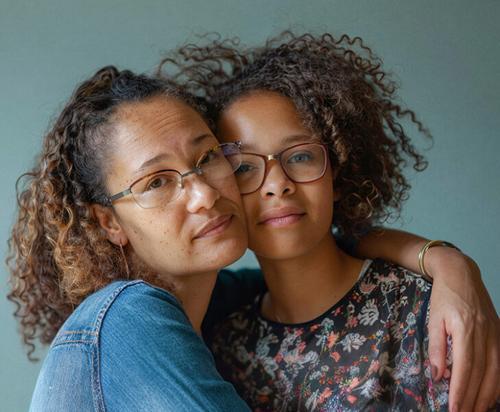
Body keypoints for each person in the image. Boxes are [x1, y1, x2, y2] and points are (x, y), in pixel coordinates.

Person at [159, 32, 500, 411]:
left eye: (301, 156)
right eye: (243, 167)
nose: (277, 185)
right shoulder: (221, 348)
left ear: (337, 174)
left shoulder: (426, 311)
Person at [7, 66, 252, 411]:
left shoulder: (219, 300)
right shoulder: (129, 315)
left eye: (207, 157)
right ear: (109, 222)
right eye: (156, 182)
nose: (205, 195)